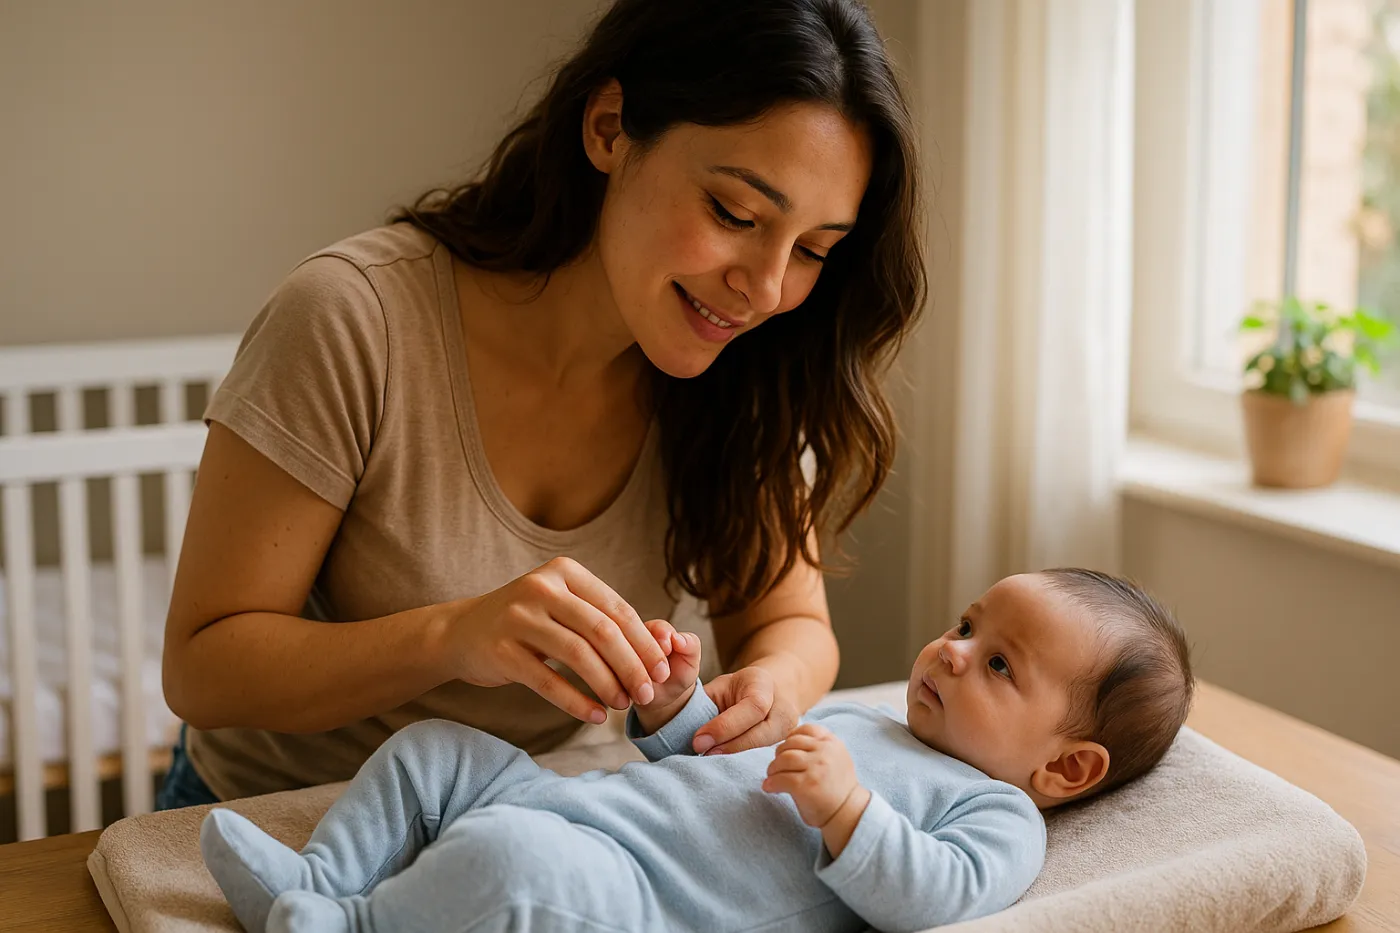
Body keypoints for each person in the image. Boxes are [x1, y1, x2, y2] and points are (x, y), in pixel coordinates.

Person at [157, 0, 926, 810]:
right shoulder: (354, 319)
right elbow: (204, 669)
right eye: (734, 213)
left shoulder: (749, 368)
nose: (767, 289)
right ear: (608, 127)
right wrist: (452, 637)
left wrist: (770, 687)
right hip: (285, 816)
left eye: (813, 250)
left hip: (539, 818)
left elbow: (794, 625)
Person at [200, 569, 1195, 933]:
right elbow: (704, 770)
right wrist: (675, 706)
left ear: (1064, 768)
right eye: (966, 624)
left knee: (512, 873)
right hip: (568, 798)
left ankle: (355, 927)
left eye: (998, 665)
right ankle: (321, 879)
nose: (950, 649)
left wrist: (848, 812)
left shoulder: (998, 816)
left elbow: (928, 897)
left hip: (628, 891)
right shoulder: (867, 722)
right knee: (431, 749)